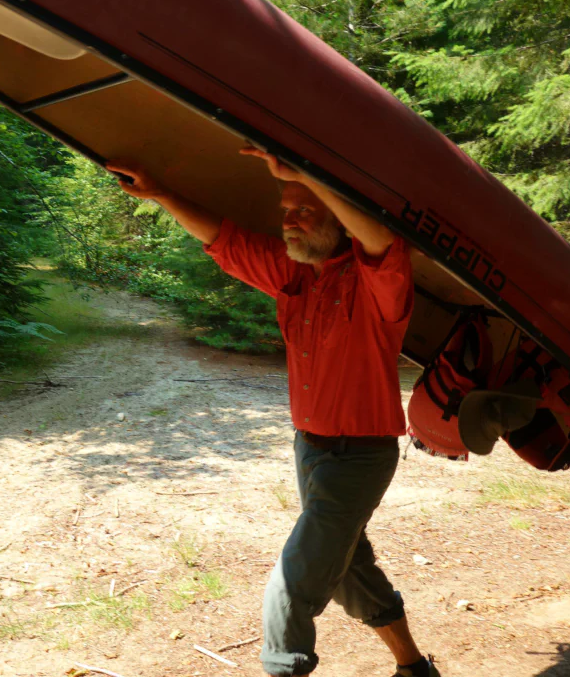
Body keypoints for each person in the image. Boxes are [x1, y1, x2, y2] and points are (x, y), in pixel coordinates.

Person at [106, 148, 438, 677]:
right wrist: (162, 194)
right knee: (350, 567)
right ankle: (415, 668)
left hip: (359, 457)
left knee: (294, 581)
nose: (290, 220)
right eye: (286, 210)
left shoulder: (380, 284)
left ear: (337, 216)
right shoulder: (292, 277)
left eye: (304, 209)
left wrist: (310, 175)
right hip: (309, 448)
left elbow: (383, 242)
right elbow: (224, 241)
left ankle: (283, 667)